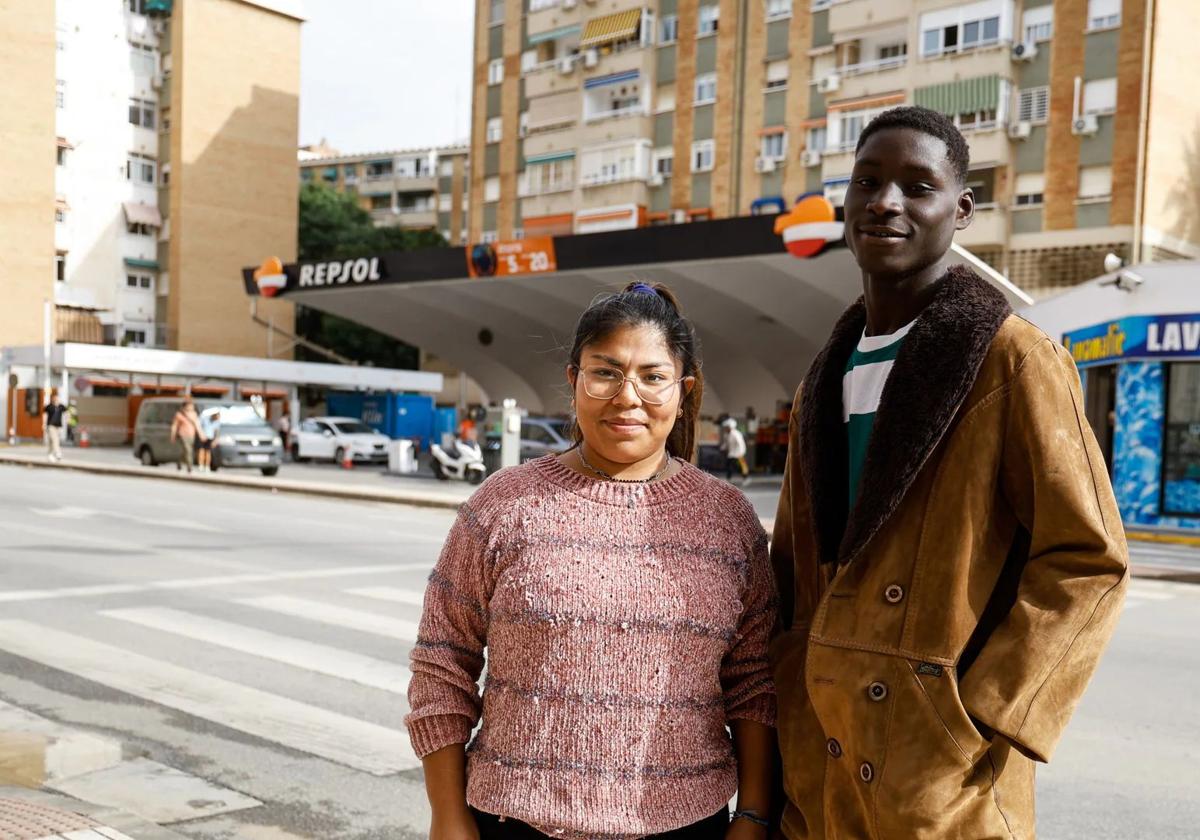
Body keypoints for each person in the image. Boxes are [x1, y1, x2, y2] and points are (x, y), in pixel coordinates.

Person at [769, 106, 1129, 839]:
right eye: (867, 182)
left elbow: (1089, 557)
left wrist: (986, 712)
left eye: (916, 185)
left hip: (941, 774)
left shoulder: (1011, 357)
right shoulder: (822, 376)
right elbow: (792, 568)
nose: (886, 202)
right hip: (818, 763)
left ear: (960, 209)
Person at [407, 281, 777, 840]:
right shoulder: (504, 504)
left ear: (683, 390)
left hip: (685, 827)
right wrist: (447, 814)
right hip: (514, 822)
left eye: (653, 377)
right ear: (574, 380)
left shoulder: (728, 519)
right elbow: (442, 664)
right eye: (605, 372)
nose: (628, 396)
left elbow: (754, 683)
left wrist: (752, 815)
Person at [169, 397, 204, 474]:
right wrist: (173, 435)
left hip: (192, 435)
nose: (192, 407)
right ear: (185, 406)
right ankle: (190, 468)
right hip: (183, 435)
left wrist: (201, 435)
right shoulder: (179, 414)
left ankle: (179, 462)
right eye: (190, 405)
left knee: (186, 451)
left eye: (192, 405)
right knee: (188, 450)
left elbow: (197, 425)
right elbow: (174, 426)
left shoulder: (194, 414)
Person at [721, 417, 750, 486]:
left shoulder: (736, 434)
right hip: (731, 454)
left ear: (731, 427)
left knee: (741, 467)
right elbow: (726, 443)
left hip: (738, 453)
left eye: (727, 427)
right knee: (729, 466)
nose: (725, 428)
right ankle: (728, 479)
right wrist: (722, 448)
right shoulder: (726, 434)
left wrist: (741, 453)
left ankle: (746, 478)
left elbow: (740, 443)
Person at [43, 393, 66, 462]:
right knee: (55, 439)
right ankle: (58, 453)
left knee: (51, 441)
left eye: (57, 398)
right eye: (54, 398)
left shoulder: (61, 406)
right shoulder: (49, 406)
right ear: (52, 399)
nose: (56, 399)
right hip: (50, 426)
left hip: (58, 426)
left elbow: (66, 413)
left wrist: (66, 421)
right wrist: (43, 424)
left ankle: (50, 455)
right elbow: (44, 415)